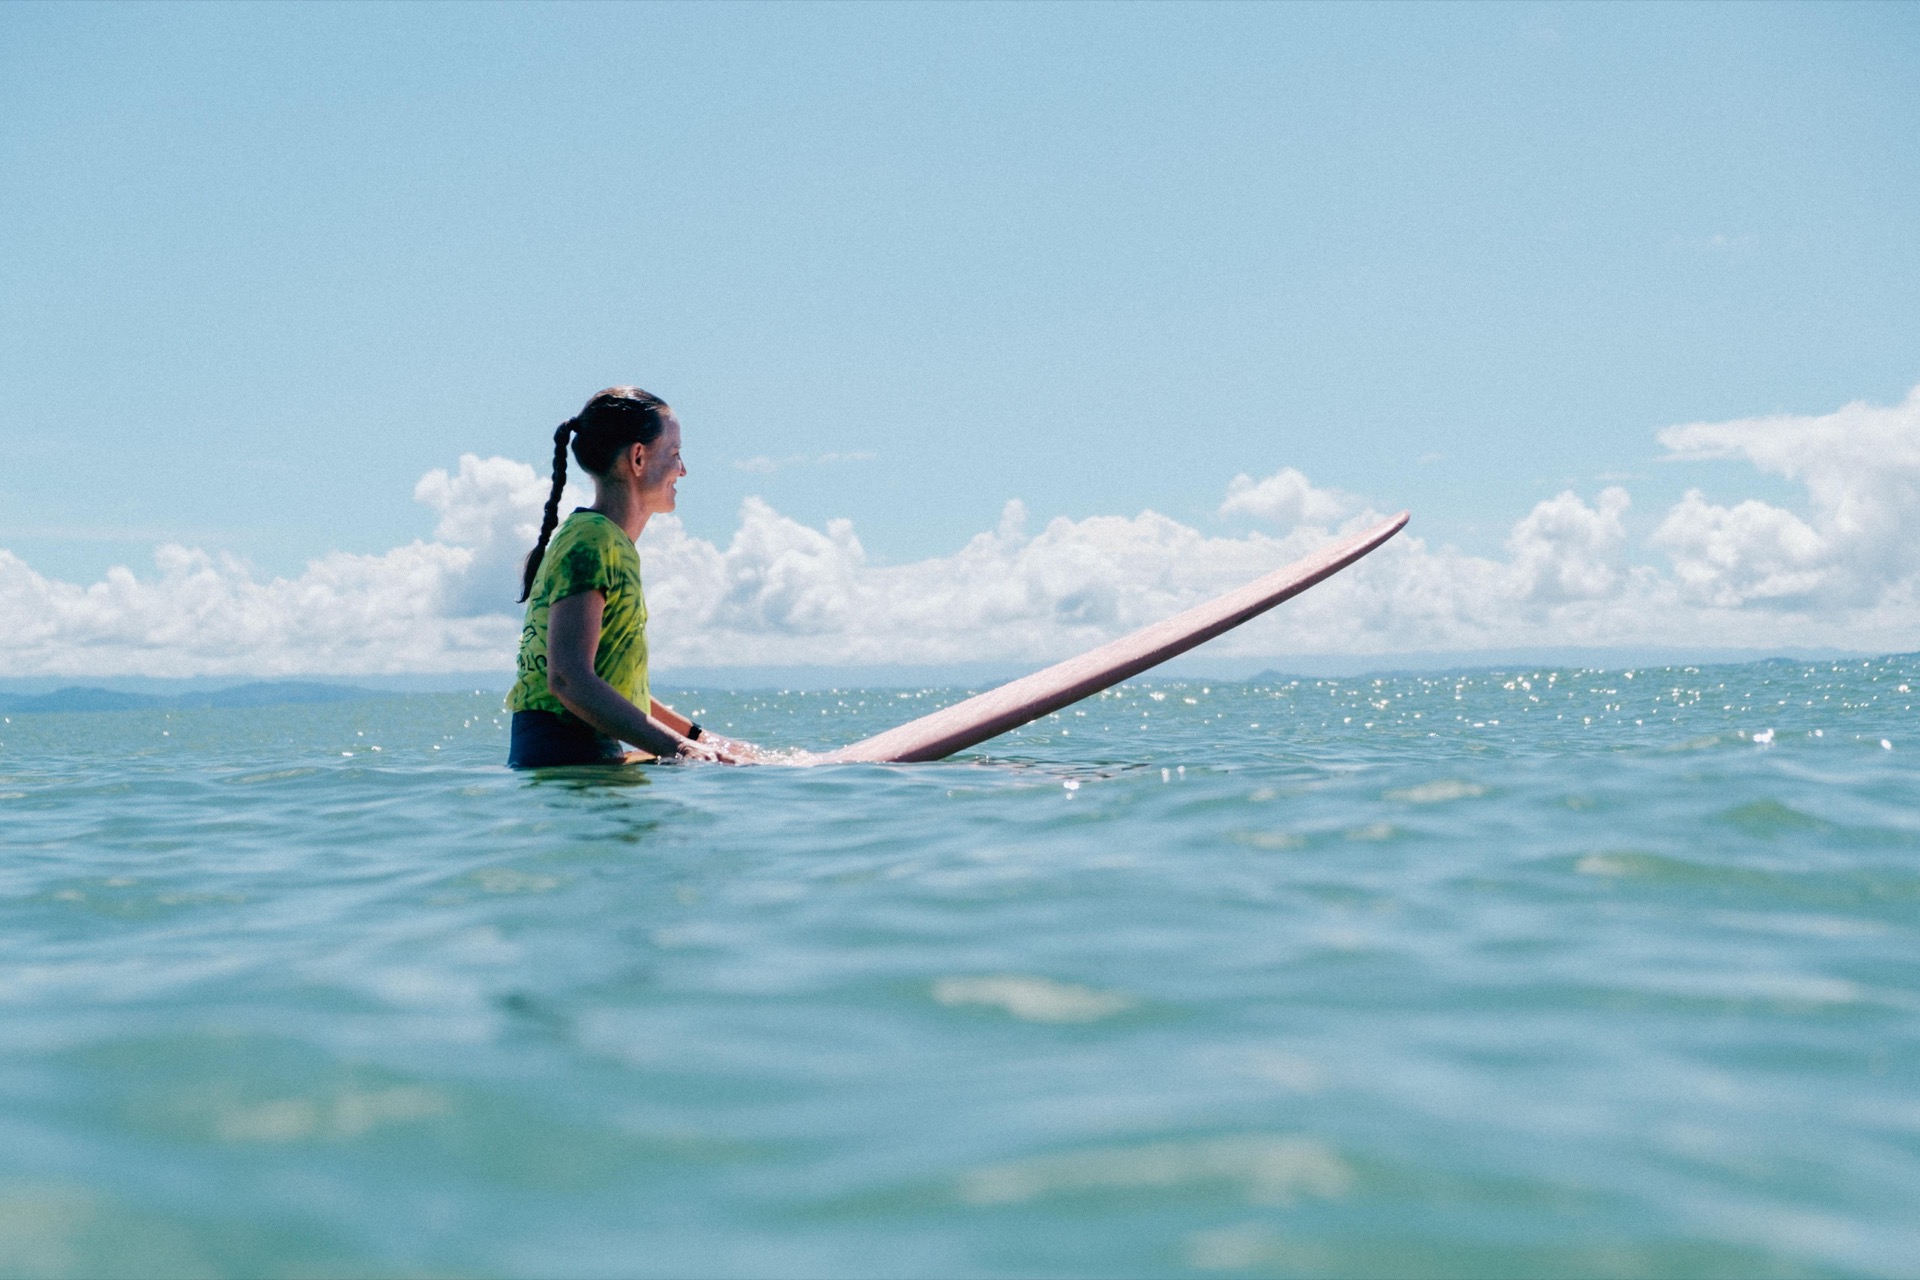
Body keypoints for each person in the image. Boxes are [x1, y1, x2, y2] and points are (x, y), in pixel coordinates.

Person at [506, 387, 757, 768]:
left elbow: (613, 687)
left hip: (580, 760)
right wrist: (683, 750)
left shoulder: (602, 539)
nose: (683, 469)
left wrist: (701, 738)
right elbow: (568, 678)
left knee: (747, 764)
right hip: (568, 763)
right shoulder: (592, 541)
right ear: (638, 458)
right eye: (674, 454)